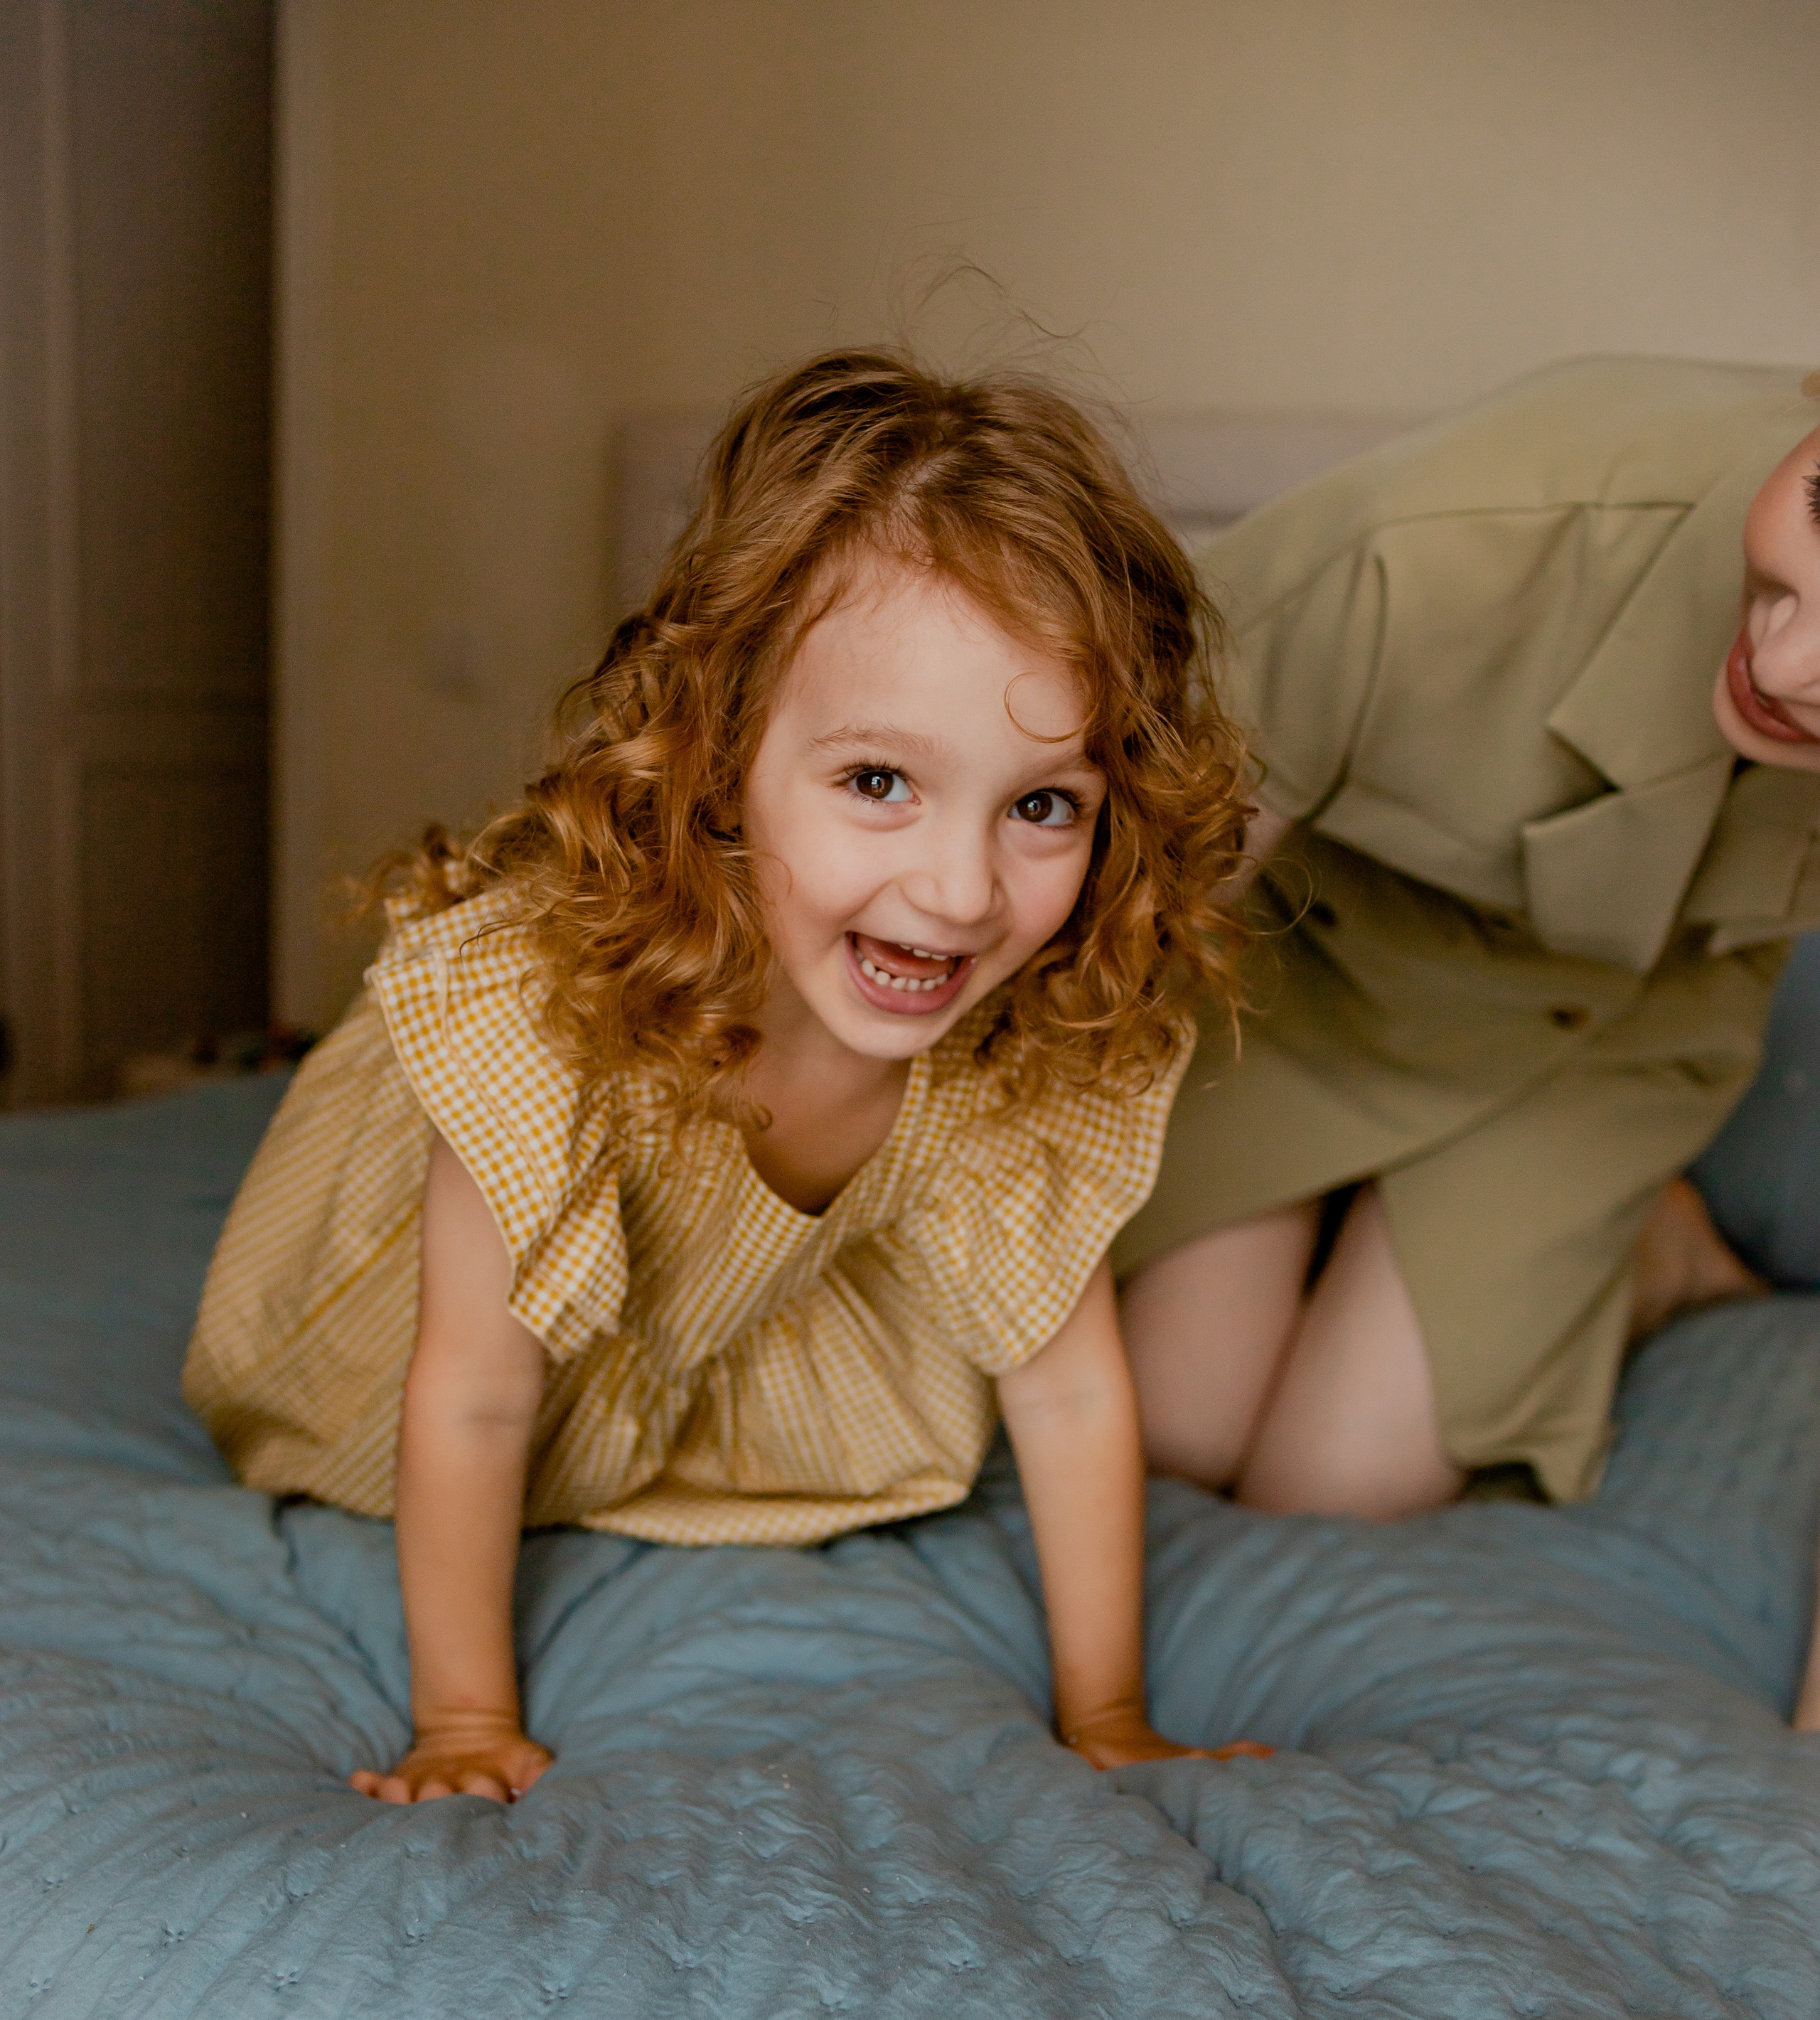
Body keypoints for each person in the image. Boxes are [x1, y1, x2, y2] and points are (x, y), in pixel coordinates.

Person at [186, 349, 1260, 1801]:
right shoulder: (556, 1008)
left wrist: (1111, 1714)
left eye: (1042, 806)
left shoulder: (1022, 1042)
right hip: (416, 1366)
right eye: (877, 782)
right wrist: (464, 1723)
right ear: (721, 753)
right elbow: (474, 1395)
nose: (958, 892)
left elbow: (1066, 1394)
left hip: (707, 1346)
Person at [1116, 355, 1820, 1722]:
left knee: (1330, 1483)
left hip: (1610, 1031)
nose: (1783, 664)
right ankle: (1334, 1217)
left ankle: (1653, 1250)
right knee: (1178, 1421)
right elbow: (1124, 935)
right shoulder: (1433, 549)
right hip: (1302, 972)